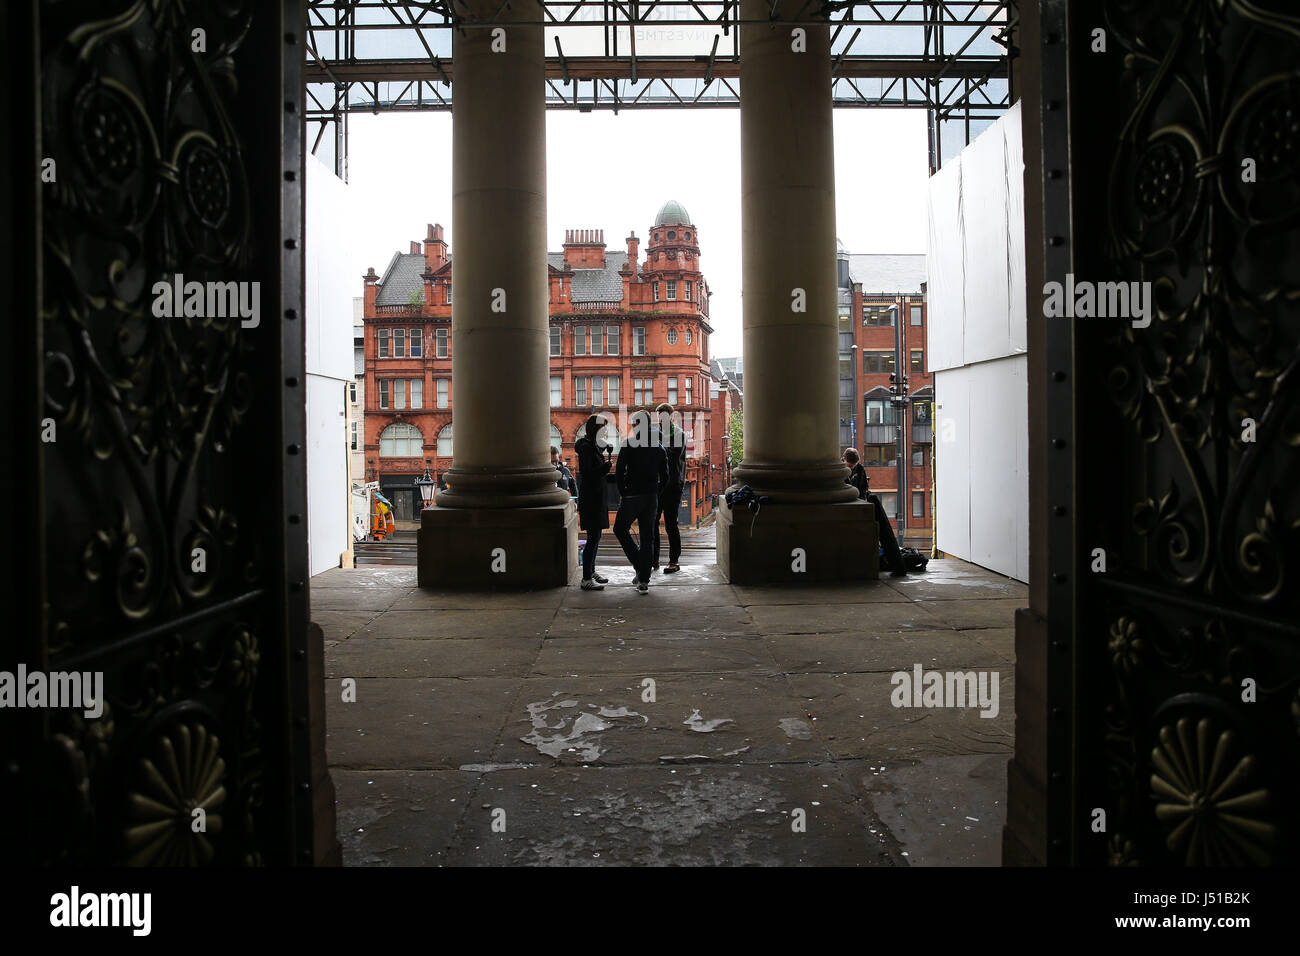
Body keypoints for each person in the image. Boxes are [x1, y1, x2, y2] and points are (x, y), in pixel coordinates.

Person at [613, 410, 668, 593]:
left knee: (619, 529)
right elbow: (666, 476)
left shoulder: (628, 444)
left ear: (637, 424)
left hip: (632, 496)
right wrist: (656, 492)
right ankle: (643, 579)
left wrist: (624, 492)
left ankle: (639, 565)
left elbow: (619, 472)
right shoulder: (659, 447)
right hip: (651, 496)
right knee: (647, 538)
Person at [843, 447, 906, 576]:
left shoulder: (859, 469)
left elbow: (862, 490)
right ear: (843, 460)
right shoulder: (842, 470)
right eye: (849, 466)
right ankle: (896, 565)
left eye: (853, 466)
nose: (851, 468)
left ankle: (895, 565)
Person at [575, 416, 611, 590]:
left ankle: (591, 570)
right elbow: (588, 473)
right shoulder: (586, 448)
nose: (606, 431)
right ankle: (586, 579)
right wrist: (605, 468)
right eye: (603, 428)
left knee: (596, 537)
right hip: (591, 500)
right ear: (595, 429)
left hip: (596, 497)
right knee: (593, 537)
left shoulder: (593, 446)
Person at [652, 403, 686, 574]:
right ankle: (654, 559)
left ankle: (674, 561)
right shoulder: (654, 434)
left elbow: (672, 455)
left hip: (673, 485)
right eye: (659, 416)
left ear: (671, 417)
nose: (661, 419)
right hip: (657, 485)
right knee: (653, 522)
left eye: (664, 416)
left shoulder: (679, 434)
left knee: (671, 524)